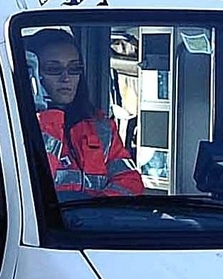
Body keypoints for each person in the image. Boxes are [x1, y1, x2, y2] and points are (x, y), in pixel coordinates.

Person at [26, 28, 145, 199]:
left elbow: (130, 182)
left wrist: (96, 211)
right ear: (33, 74)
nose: (66, 78)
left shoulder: (101, 126)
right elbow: (34, 183)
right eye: (53, 69)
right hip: (40, 225)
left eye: (74, 68)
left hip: (91, 224)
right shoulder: (12, 126)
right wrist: (48, 115)